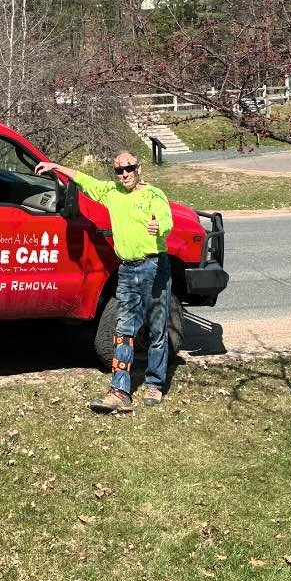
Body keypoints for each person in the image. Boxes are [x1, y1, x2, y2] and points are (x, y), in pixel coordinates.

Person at [35, 151, 173, 413]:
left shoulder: (153, 194)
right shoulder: (111, 193)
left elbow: (165, 218)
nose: (124, 174)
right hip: (127, 270)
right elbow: (85, 180)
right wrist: (56, 166)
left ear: (138, 168)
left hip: (154, 267)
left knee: (157, 327)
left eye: (129, 168)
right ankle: (119, 391)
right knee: (124, 330)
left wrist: (159, 226)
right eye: (119, 171)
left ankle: (155, 383)